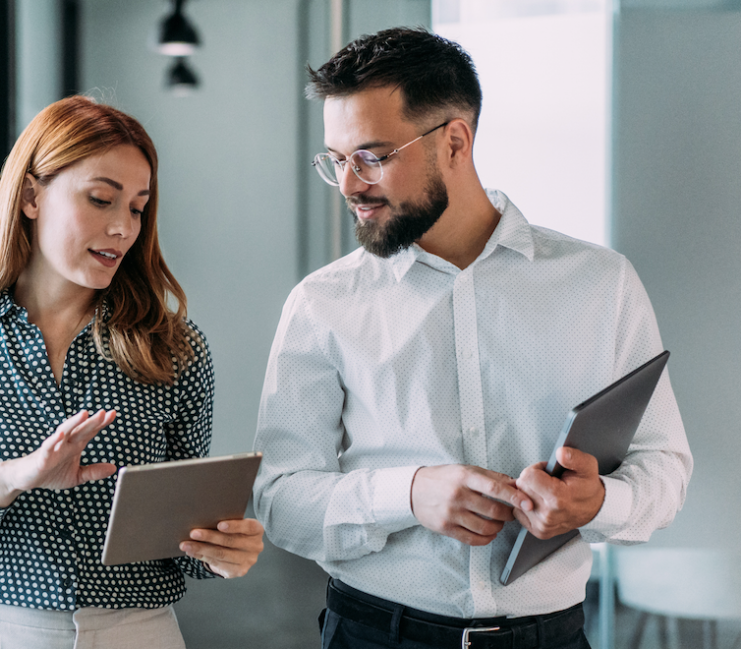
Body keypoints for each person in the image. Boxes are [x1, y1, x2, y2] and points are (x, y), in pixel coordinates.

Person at [252, 27, 692, 649]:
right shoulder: (322, 303)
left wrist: (596, 505)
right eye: (337, 159)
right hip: (376, 636)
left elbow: (665, 467)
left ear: (454, 141)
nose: (349, 184)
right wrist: (407, 493)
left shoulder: (601, 285)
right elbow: (279, 500)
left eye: (372, 156)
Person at [0, 95, 264, 649]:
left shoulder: (174, 349)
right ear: (32, 196)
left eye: (137, 208)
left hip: (135, 633)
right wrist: (8, 479)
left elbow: (186, 546)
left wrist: (225, 550)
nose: (122, 229)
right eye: (100, 199)